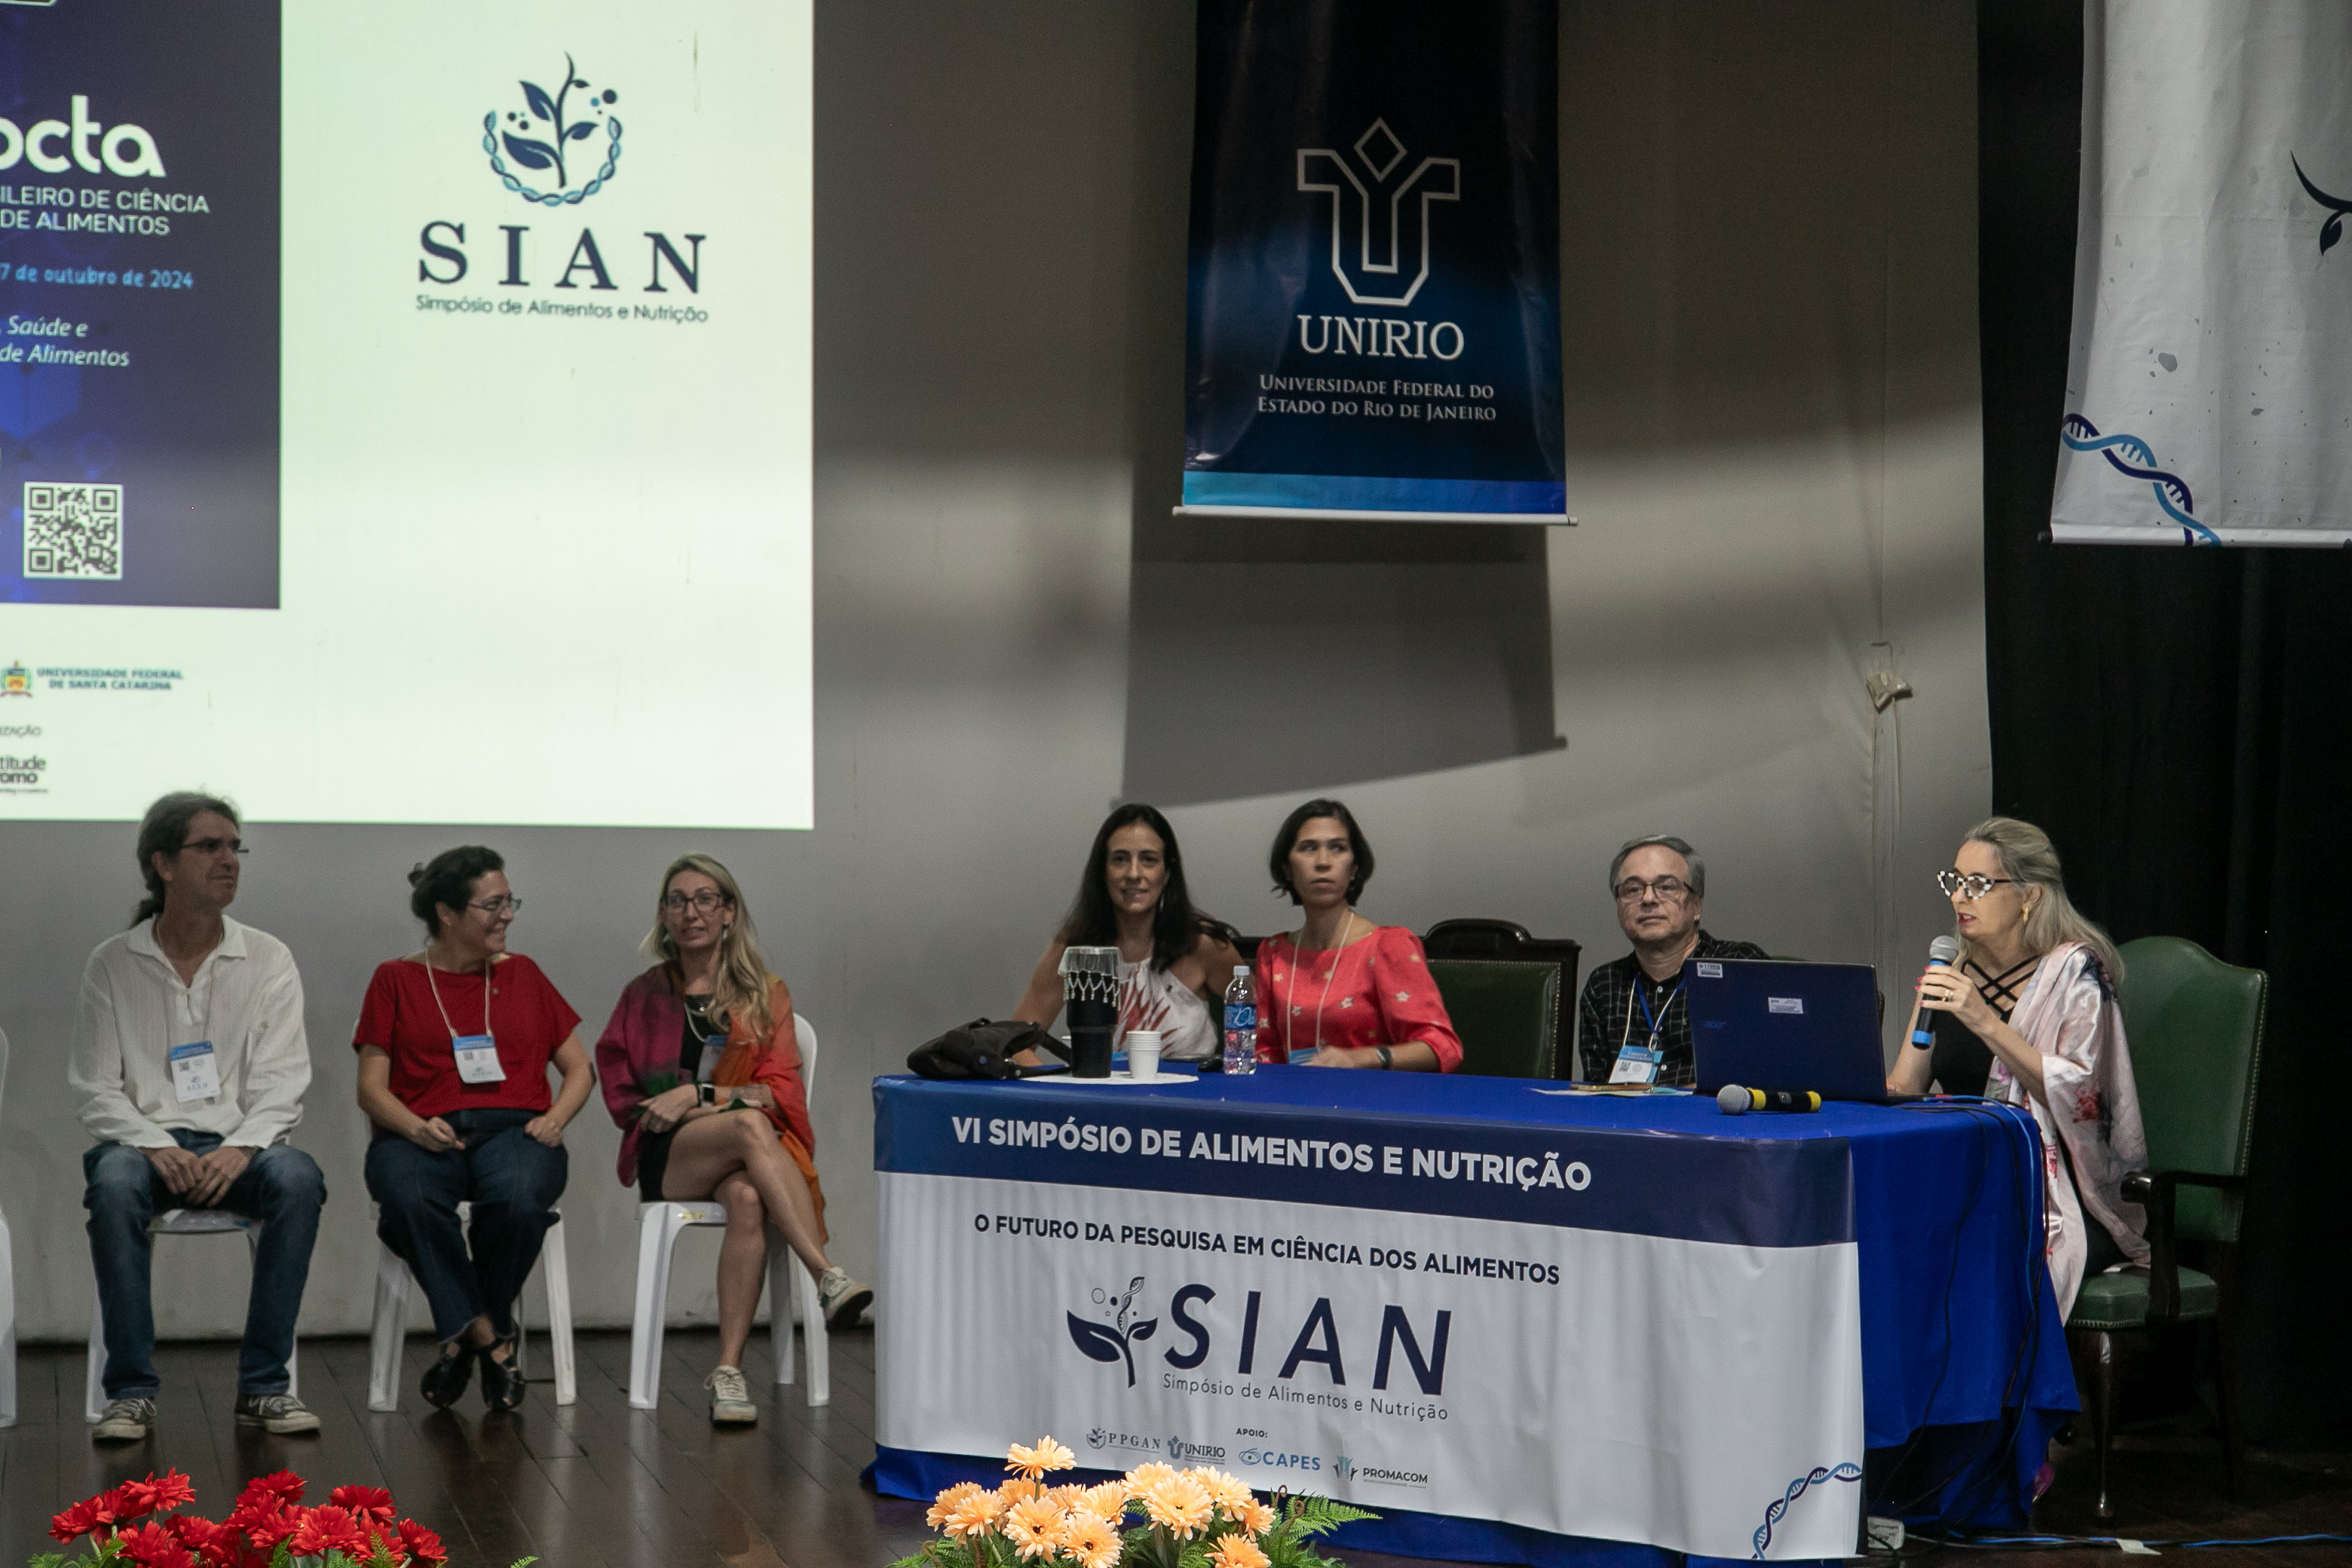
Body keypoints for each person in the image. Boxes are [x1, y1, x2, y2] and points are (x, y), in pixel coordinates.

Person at [71, 792, 327, 1442]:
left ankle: (265, 1387)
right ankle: (130, 1394)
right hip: (143, 1149)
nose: (229, 860)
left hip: (240, 1148)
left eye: (235, 847)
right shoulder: (113, 962)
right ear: (163, 864)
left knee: (297, 1176)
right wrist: (156, 1144)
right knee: (114, 1181)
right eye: (209, 846)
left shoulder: (268, 957)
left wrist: (243, 1147)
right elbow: (96, 1088)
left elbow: (284, 1080)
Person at [596, 854, 872, 1426]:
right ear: (664, 915)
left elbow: (780, 1094)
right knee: (749, 1126)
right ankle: (826, 1274)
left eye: (705, 899)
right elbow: (627, 1094)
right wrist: (699, 1107)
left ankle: (728, 1372)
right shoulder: (644, 995)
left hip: (741, 1153)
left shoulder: (765, 994)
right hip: (670, 1155)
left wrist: (698, 1097)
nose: (690, 912)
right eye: (677, 901)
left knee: (748, 1196)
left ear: (728, 912)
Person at [354, 846, 595, 1412]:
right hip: (420, 1132)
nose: (507, 915)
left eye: (510, 902)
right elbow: (371, 1089)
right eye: (492, 905)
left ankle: (464, 1338)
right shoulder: (395, 979)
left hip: (515, 1130)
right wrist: (415, 1128)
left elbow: (581, 1069)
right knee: (408, 1200)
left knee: (518, 1199)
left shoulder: (524, 974)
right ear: (447, 913)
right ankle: (492, 1339)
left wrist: (555, 1119)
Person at [1888, 816, 2148, 1315]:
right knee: (1893, 1240)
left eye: (1977, 884)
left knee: (1970, 1256)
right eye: (1954, 881)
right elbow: (1905, 1085)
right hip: (1971, 1177)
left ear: (2029, 895)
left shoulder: (2075, 972)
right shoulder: (1951, 971)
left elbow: (2081, 1096)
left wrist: (1985, 1022)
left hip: (2059, 1193)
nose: (1959, 897)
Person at [1009, 804, 1247, 1064]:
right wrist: (1054, 1085)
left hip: (1193, 1090)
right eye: (1120, 859)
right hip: (1100, 1091)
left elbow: (1260, 1032)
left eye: (1149, 860)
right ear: (1103, 871)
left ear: (1167, 872)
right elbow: (1014, 1044)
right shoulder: (1075, 947)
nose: (1134, 874)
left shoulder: (1203, 944)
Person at [1250, 799, 1461, 1070]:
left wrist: (1360, 1058)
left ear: (1354, 869)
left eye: (1337, 848)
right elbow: (1263, 1052)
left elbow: (1442, 1048)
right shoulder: (1274, 953)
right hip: (1290, 1094)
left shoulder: (1389, 945)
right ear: (1287, 869)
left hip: (1370, 1093)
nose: (1323, 862)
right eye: (1308, 848)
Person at [1576, 835, 1768, 1086]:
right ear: (1619, 908)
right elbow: (1597, 1092)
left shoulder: (1739, 967)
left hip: (1709, 1112)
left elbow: (1768, 1074)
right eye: (1633, 890)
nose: (1648, 899)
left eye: (1666, 887)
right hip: (1626, 1112)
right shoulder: (1604, 985)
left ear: (1696, 905)